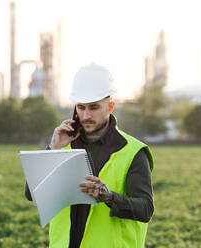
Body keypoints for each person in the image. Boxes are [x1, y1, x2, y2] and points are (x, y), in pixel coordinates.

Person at [24, 63, 154, 248]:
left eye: (94, 107)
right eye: (81, 107)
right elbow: (32, 194)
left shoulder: (132, 151)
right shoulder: (64, 146)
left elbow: (145, 209)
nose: (85, 115)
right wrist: (52, 148)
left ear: (110, 107)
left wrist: (109, 197)